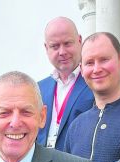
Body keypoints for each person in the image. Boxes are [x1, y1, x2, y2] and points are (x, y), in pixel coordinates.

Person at [64, 32, 120, 162]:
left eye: (104, 59)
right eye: (89, 63)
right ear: (81, 69)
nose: (97, 69)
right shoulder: (75, 126)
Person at [36, 17, 94, 150]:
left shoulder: (94, 82)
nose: (62, 52)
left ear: (80, 41)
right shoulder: (38, 89)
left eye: (67, 43)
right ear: (46, 48)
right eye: (55, 46)